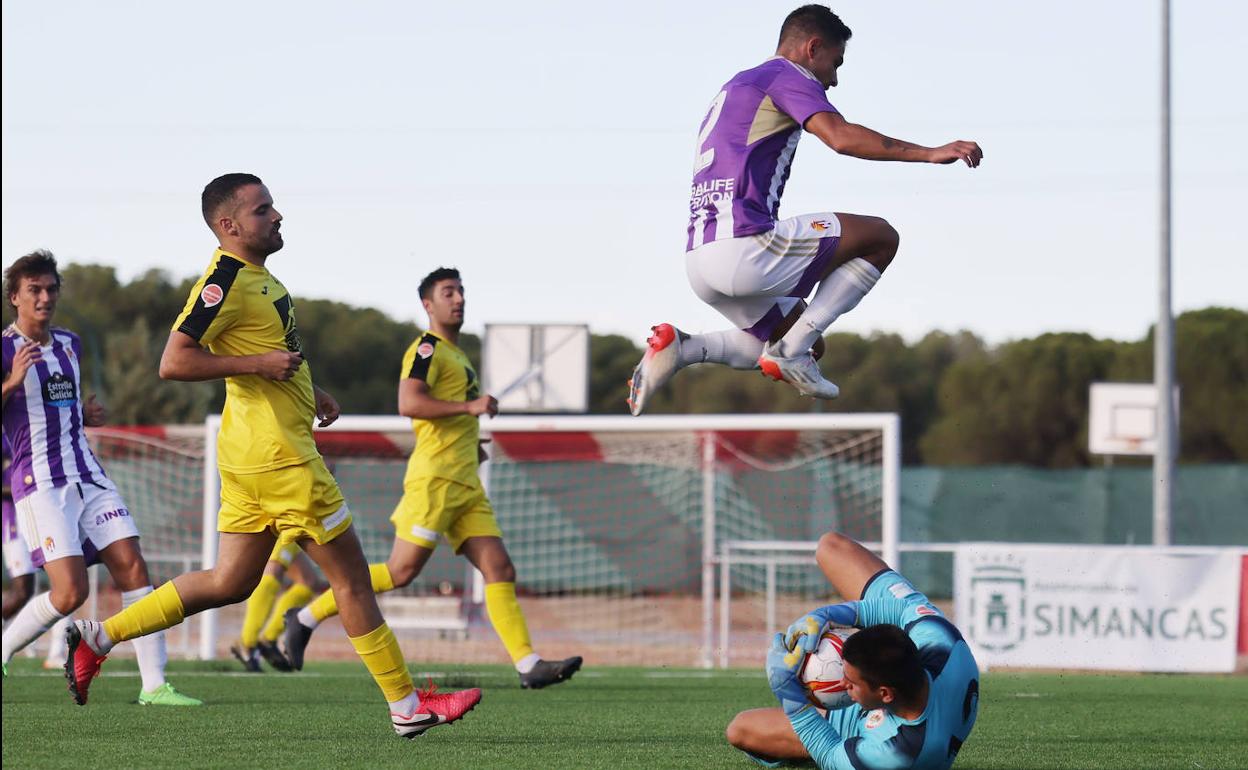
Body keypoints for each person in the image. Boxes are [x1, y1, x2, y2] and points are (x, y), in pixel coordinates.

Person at [62, 174, 481, 737]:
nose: (278, 215)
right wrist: (259, 365)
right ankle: (408, 708)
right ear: (229, 225)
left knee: (230, 582)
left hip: (250, 456)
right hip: (281, 460)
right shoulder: (224, 280)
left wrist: (311, 388)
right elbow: (175, 362)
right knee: (353, 582)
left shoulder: (260, 278)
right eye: (263, 210)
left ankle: (99, 637)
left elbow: (271, 350)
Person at [628, 5, 983, 414]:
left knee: (810, 343)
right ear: (812, 48)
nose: (834, 80)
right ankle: (789, 352)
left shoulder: (735, 85)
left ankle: (685, 348)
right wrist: (929, 153)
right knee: (881, 237)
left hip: (700, 260)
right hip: (745, 249)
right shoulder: (786, 75)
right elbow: (841, 137)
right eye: (835, 63)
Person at [283, 267, 583, 690]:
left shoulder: (459, 356)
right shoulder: (426, 348)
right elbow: (410, 402)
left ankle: (527, 664)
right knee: (401, 571)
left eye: (461, 291)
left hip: (466, 483)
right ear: (429, 304)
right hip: (436, 481)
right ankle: (305, 616)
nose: (458, 298)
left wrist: (470, 440)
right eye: (448, 292)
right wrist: (470, 408)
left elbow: (448, 412)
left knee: (499, 567)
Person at [0, 251, 200, 704]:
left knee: (134, 568)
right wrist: (11, 382)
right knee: (70, 593)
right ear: (15, 297)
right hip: (40, 484)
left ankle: (154, 686)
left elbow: (54, 404)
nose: (45, 297)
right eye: (34, 290)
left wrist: (81, 414)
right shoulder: (4, 349)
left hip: (88, 474)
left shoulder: (70, 343)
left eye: (51, 289)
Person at [726, 532, 979, 769]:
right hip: (901, 699)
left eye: (850, 682)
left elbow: (830, 755)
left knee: (740, 729)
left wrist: (790, 695)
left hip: (865, 727)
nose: (840, 682)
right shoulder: (942, 643)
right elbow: (900, 609)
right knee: (831, 546)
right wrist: (828, 615)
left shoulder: (893, 752)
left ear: (884, 694)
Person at [230, 537, 325, 672]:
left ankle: (268, 639)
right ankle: (247, 642)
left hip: (294, 523)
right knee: (273, 570)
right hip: (282, 519)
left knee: (308, 583)